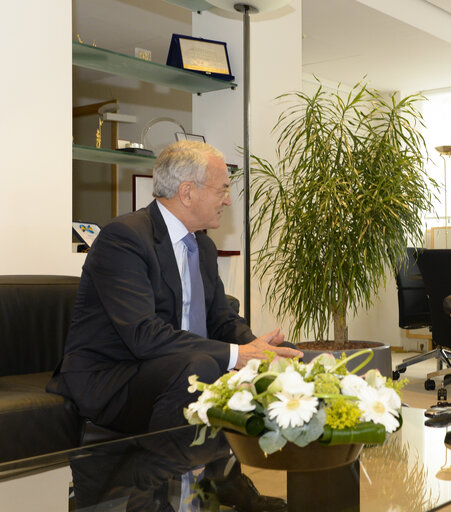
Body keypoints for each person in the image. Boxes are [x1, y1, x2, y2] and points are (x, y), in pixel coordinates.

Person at [48, 140, 301, 511]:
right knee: (202, 366)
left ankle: (222, 483)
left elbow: (221, 319)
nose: (228, 200)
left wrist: (256, 349)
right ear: (187, 192)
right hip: (113, 377)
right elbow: (142, 335)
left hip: (170, 367)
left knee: (243, 367)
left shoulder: (203, 247)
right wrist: (235, 355)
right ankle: (155, 497)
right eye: (223, 189)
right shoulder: (124, 238)